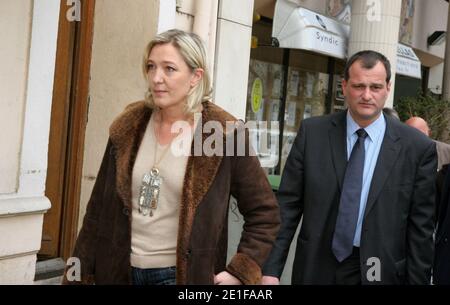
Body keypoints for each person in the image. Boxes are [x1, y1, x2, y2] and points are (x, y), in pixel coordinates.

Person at [63, 29, 280, 285]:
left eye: (169, 69)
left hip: (180, 277)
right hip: (118, 271)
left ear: (195, 77)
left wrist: (240, 272)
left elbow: (264, 212)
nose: (156, 78)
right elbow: (97, 211)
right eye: (151, 67)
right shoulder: (127, 127)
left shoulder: (224, 133)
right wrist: (78, 275)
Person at [262, 50, 437, 285]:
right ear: (344, 86)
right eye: (358, 86)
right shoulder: (313, 134)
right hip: (317, 267)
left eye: (375, 87)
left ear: (388, 88)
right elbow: (287, 208)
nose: (367, 95)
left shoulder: (417, 148)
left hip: (380, 270)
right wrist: (270, 270)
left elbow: (420, 231)